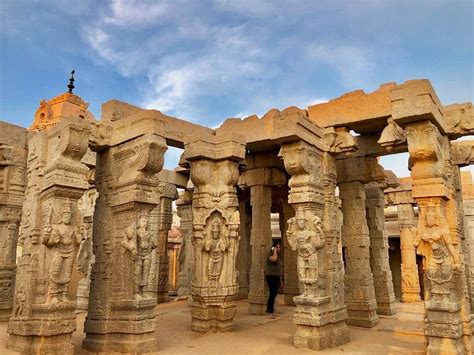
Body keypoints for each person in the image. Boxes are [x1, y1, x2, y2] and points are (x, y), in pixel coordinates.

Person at [265, 241, 283, 318]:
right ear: (274, 247)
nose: (278, 249)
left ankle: (270, 310)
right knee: (272, 293)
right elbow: (274, 259)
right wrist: (274, 251)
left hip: (276, 276)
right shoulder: (271, 254)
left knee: (274, 294)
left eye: (279, 247)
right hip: (271, 276)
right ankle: (269, 312)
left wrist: (280, 280)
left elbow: (278, 268)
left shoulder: (278, 256)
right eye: (277, 247)